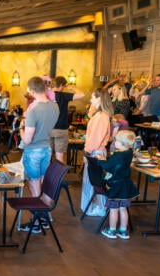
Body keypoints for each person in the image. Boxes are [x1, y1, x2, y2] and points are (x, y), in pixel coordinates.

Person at [18, 76, 60, 233]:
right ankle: (44, 217)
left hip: (33, 151)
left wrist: (21, 129)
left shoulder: (34, 110)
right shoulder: (55, 107)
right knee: (41, 184)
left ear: (32, 91)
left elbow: (27, 140)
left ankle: (38, 222)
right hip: (46, 149)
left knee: (34, 187)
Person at [98, 130, 139, 240]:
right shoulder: (129, 152)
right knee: (123, 209)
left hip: (116, 185)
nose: (114, 142)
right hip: (126, 185)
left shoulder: (117, 156)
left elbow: (107, 166)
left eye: (116, 140)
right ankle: (123, 231)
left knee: (113, 209)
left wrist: (100, 160)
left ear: (121, 144)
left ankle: (111, 231)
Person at [80, 89, 114, 217]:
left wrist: (87, 152)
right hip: (95, 150)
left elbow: (96, 137)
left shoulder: (101, 117)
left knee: (94, 182)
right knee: (93, 181)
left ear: (99, 99)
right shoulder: (101, 115)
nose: (90, 100)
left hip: (95, 151)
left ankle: (99, 207)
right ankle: (95, 206)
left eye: (92, 97)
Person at [51, 76, 85, 164]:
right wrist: (73, 87)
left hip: (48, 129)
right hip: (61, 130)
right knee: (59, 157)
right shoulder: (63, 95)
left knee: (47, 156)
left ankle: (45, 177)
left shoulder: (47, 95)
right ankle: (58, 177)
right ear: (62, 85)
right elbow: (82, 94)